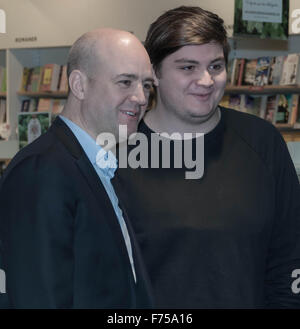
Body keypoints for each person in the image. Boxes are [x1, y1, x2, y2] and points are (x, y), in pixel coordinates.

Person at [113, 6, 300, 308]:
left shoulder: (262, 142)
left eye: (215, 66)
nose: (206, 80)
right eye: (187, 68)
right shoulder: (116, 152)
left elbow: (289, 253)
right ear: (154, 74)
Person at [0, 28, 155, 308]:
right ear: (79, 85)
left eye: (146, 85)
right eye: (125, 82)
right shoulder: (41, 170)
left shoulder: (100, 166)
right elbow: (39, 297)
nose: (142, 98)